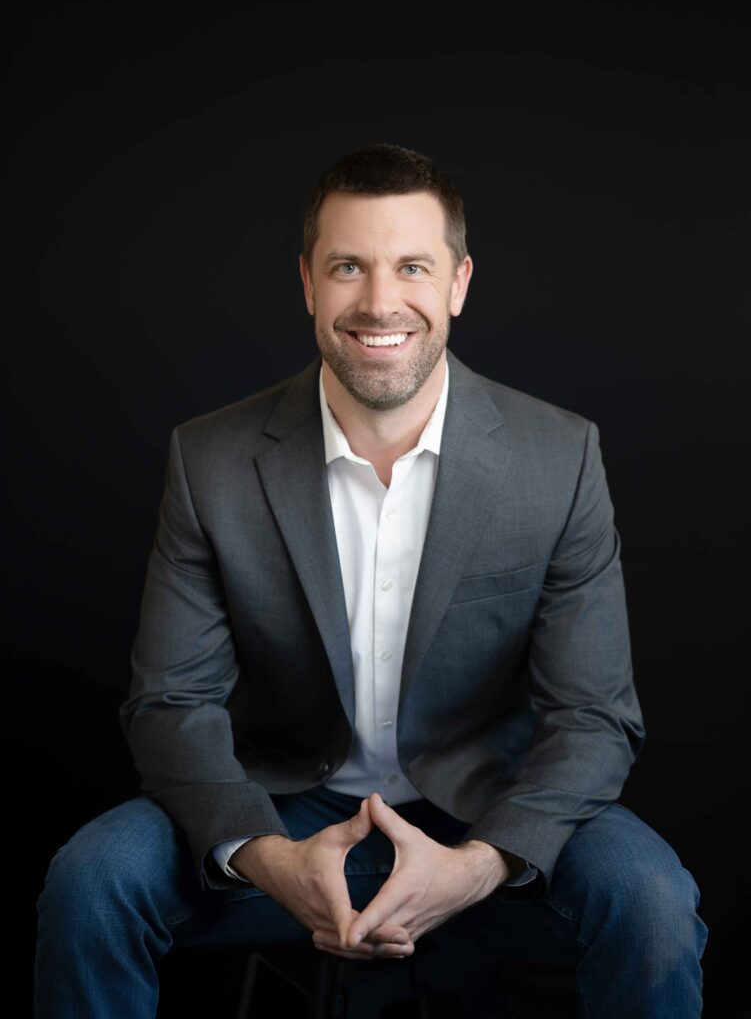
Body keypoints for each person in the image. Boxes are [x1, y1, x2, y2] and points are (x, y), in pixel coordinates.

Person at [35, 144, 707, 1017]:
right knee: (89, 882)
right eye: (348, 266)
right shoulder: (211, 459)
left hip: (485, 813)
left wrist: (477, 866)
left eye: (412, 267)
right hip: (281, 807)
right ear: (309, 282)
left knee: (651, 903)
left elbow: (595, 717)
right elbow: (169, 703)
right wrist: (271, 859)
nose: (381, 302)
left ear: (458, 284)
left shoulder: (558, 457)